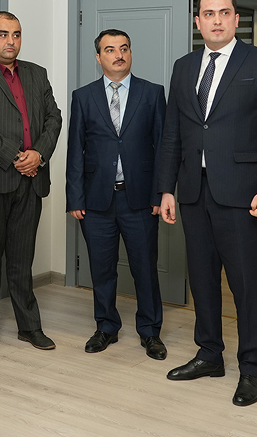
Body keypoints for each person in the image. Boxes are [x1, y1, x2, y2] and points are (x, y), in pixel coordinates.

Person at [157, 0, 257, 406]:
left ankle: (251, 368)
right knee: (201, 279)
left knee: (245, 285)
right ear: (197, 22)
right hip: (193, 192)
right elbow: (173, 133)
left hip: (242, 194)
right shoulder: (183, 67)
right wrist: (166, 188)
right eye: (208, 13)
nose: (216, 20)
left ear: (235, 19)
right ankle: (209, 354)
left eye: (224, 13)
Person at [0, 11, 63, 355]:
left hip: (31, 181)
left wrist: (39, 154)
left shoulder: (36, 73)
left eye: (16, 34)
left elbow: (54, 117)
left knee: (22, 259)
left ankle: (29, 326)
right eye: (2, 34)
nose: (10, 41)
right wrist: (17, 156)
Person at [65, 29, 167, 359]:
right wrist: (75, 197)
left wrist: (160, 194)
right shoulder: (83, 96)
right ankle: (106, 327)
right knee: (102, 269)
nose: (118, 54)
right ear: (99, 57)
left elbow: (163, 147)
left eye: (124, 48)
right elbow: (75, 150)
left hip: (140, 200)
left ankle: (150, 332)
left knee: (144, 269)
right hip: (96, 201)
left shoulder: (152, 93)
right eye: (110, 50)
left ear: (130, 53)